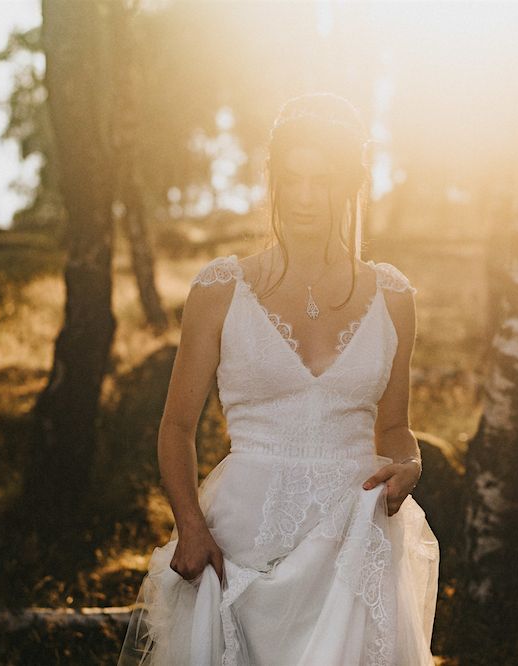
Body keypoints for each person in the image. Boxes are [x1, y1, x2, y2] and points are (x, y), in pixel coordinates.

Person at [117, 92, 439, 666]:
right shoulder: (219, 290)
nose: (307, 197)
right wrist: (190, 524)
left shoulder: (393, 296)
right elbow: (175, 426)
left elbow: (394, 427)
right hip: (242, 540)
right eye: (293, 180)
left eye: (323, 180)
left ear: (350, 185)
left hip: (354, 542)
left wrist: (409, 465)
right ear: (272, 181)